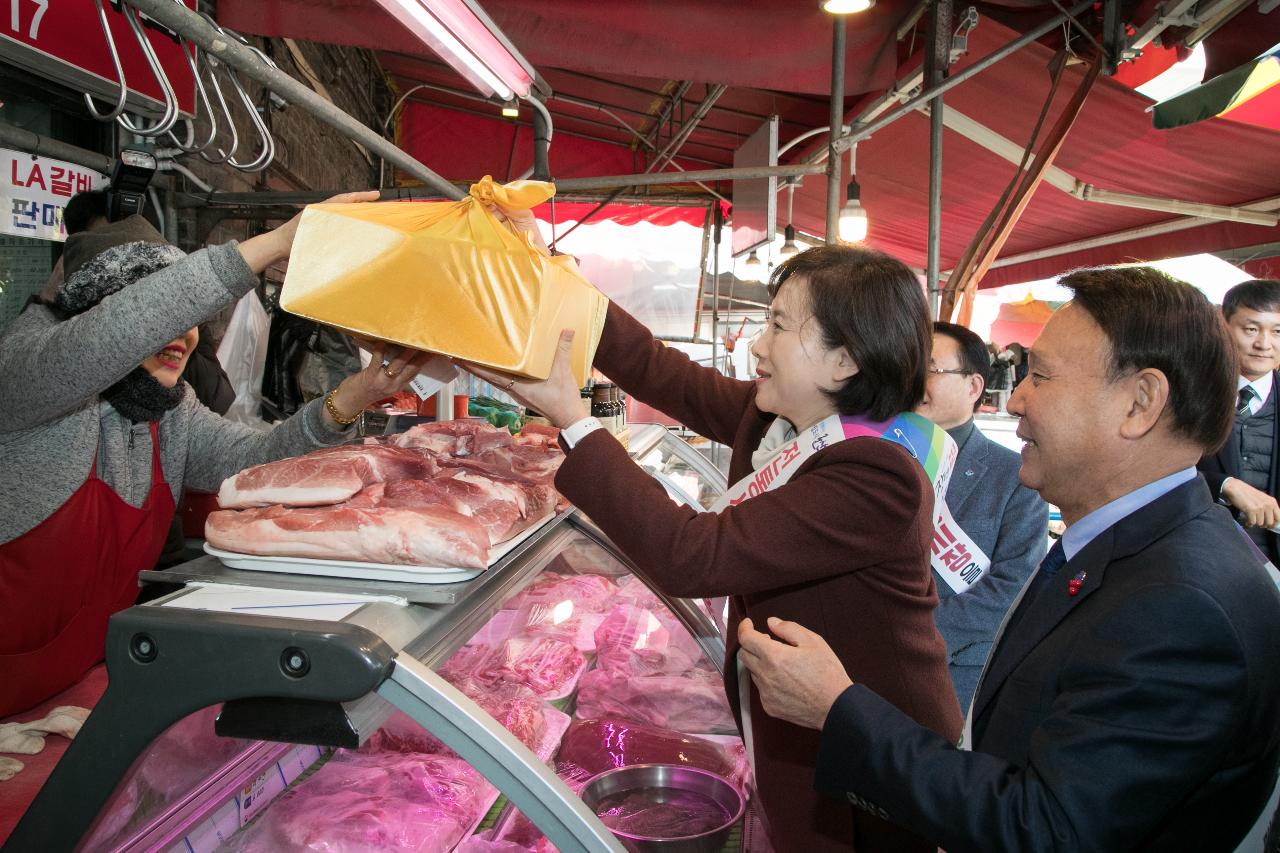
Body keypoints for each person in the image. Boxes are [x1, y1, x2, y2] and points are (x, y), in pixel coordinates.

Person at [738, 266, 1280, 852]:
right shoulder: (1125, 545)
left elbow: (1044, 827)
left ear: (1140, 402)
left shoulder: (1180, 606)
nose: (1016, 399)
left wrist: (837, 709)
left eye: (1040, 377)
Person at [465, 244, 963, 853]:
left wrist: (574, 418)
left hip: (866, 765)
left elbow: (691, 556)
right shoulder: (789, 421)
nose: (757, 344)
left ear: (844, 361)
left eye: (779, 325)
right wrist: (545, 276)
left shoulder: (873, 476)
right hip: (794, 727)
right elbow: (659, 370)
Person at [0, 194, 430, 717]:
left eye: (192, 321)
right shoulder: (26, 385)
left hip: (80, 690)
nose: (183, 334)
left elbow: (258, 462)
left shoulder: (170, 413)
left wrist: (356, 394)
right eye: (168, 317)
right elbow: (111, 334)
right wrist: (274, 243)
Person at [915, 321, 1047, 710]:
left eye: (930, 369)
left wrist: (910, 632)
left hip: (954, 673)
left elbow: (1014, 587)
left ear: (974, 387)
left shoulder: (1015, 476)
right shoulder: (870, 456)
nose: (912, 379)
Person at [1198, 279, 1280, 563]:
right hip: (1198, 558)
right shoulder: (1189, 391)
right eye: (1251, 329)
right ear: (1224, 325)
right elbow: (1151, 473)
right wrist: (1223, 484)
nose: (1264, 344)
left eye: (1277, 331)